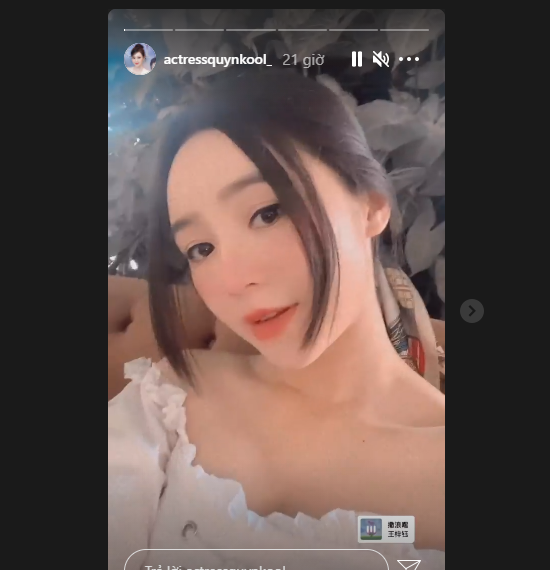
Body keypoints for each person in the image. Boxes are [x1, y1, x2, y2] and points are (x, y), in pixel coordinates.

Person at [108, 70, 445, 570]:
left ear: (371, 206)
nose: (233, 279)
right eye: (201, 248)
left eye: (267, 213)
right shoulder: (169, 403)